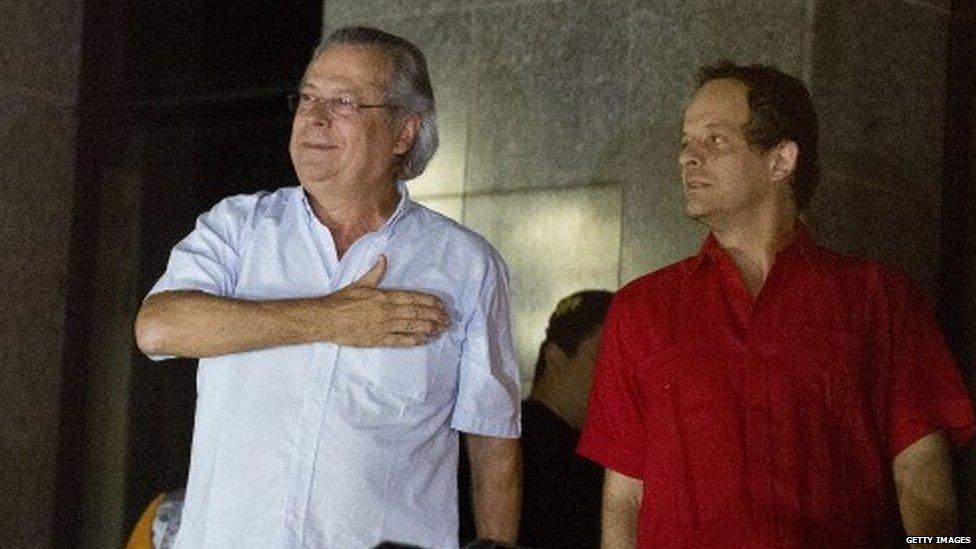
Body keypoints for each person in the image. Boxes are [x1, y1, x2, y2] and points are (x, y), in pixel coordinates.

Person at [135, 26, 521, 549]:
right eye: (308, 97)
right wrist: (331, 318)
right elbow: (158, 328)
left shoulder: (465, 265)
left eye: (344, 102)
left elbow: (493, 441)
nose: (314, 118)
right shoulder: (239, 228)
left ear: (404, 133)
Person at [578, 60, 975, 548]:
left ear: (780, 161)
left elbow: (921, 470)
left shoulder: (880, 298)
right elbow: (624, 496)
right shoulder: (641, 308)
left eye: (715, 140)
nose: (688, 158)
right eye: (685, 142)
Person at [520, 290, 612, 548]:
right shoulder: (502, 447)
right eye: (602, 360)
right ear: (555, 356)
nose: (614, 378)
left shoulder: (607, 459)